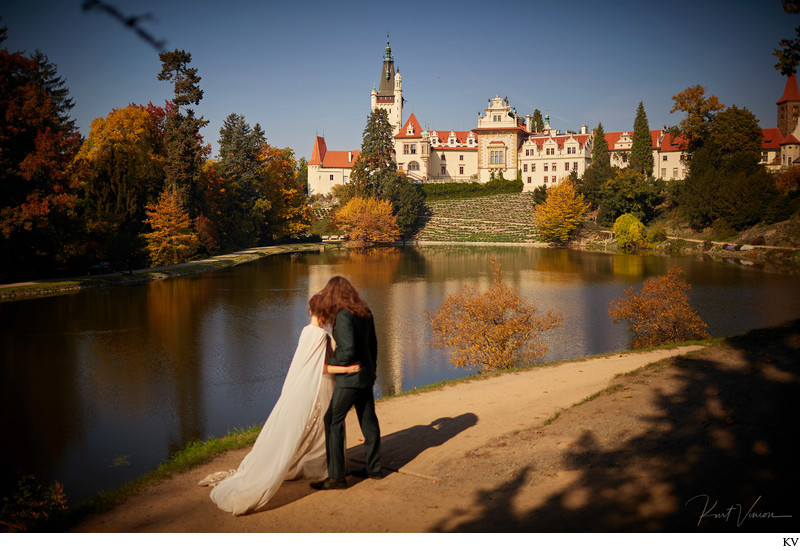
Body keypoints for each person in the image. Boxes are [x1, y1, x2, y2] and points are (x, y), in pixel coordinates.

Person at [198, 295, 360, 516]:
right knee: (325, 428)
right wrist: (348, 370)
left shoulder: (306, 331)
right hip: (320, 387)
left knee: (319, 429)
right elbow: (321, 368)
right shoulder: (320, 336)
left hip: (313, 387)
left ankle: (324, 467)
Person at [311, 276, 382, 490]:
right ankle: (374, 469)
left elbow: (348, 350)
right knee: (368, 422)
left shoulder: (343, 315)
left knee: (332, 420)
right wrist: (372, 371)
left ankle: (336, 477)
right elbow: (374, 346)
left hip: (350, 379)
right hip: (366, 376)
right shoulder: (365, 312)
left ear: (334, 294)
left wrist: (329, 363)